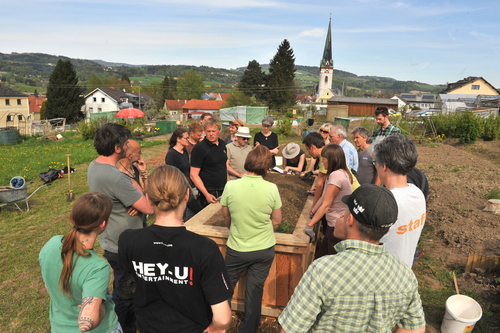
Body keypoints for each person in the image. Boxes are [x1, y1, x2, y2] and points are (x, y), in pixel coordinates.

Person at [279, 185, 426, 333]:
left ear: (350, 219)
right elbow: (415, 329)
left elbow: (290, 329)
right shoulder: (405, 275)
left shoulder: (322, 271)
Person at [118, 166, 233, 333]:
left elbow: (130, 284)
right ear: (187, 195)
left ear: (148, 198)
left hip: (147, 327)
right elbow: (222, 319)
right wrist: (215, 328)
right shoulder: (205, 249)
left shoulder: (128, 240)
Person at [88, 123, 154, 333]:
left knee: (120, 284)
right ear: (117, 148)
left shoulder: (93, 166)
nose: (128, 147)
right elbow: (149, 207)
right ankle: (125, 327)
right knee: (127, 293)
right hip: (125, 244)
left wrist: (131, 202)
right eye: (125, 143)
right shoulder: (117, 177)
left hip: (111, 240)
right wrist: (138, 190)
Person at [221, 145, 282, 333]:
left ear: (248, 161)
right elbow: (277, 220)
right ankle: (248, 329)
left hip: (237, 248)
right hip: (263, 250)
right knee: (255, 290)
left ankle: (219, 323)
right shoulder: (271, 188)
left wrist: (236, 227)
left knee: (225, 287)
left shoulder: (231, 185)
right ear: (266, 165)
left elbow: (226, 216)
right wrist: (263, 232)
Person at [39, 193, 121, 333]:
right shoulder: (97, 267)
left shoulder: (51, 244)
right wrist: (99, 307)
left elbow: (48, 284)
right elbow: (85, 324)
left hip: (60, 327)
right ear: (103, 224)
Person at [372, 134, 426, 268]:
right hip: (404, 273)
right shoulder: (417, 194)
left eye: (375, 163)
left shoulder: (384, 202)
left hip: (382, 276)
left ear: (384, 166)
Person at [306, 144, 354, 259]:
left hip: (336, 227)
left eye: (324, 158)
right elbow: (323, 197)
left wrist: (310, 225)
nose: (322, 161)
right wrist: (312, 212)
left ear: (332, 159)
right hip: (334, 225)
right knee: (319, 258)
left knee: (330, 263)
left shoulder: (336, 176)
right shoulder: (340, 172)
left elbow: (326, 204)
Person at [190, 118, 230, 208]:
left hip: (223, 188)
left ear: (219, 131)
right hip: (209, 191)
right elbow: (193, 175)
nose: (211, 134)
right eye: (208, 131)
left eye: (213, 131)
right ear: (204, 131)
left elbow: (223, 165)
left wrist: (228, 183)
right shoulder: (199, 149)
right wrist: (206, 194)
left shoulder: (222, 144)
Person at [165, 128, 203, 219]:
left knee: (192, 213)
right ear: (178, 139)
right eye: (186, 138)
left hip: (190, 186)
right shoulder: (171, 155)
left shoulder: (184, 151)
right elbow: (171, 176)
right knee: (199, 211)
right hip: (182, 189)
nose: (188, 140)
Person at [117, 139, 148, 227]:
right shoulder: (119, 175)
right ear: (130, 156)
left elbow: (146, 190)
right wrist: (140, 204)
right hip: (130, 224)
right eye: (139, 152)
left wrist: (144, 172)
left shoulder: (135, 168)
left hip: (142, 219)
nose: (141, 154)